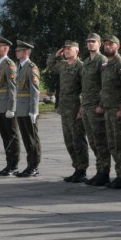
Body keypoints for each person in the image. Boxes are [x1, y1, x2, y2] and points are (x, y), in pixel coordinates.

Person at [47, 40, 88, 182]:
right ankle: (76, 167)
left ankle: (82, 170)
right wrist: (56, 54)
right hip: (64, 109)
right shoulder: (63, 65)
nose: (67, 51)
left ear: (77, 51)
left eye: (70, 49)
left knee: (78, 140)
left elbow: (85, 89)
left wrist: (82, 108)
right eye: (65, 49)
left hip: (76, 109)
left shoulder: (81, 67)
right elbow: (50, 65)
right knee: (68, 140)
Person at [98, 35, 121, 189]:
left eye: (110, 44)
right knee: (112, 144)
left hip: (118, 111)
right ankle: (119, 174)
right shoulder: (107, 65)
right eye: (105, 44)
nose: (107, 46)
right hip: (108, 110)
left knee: (120, 144)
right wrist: (102, 105)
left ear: (117, 46)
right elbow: (104, 89)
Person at [80, 33, 112, 186]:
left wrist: (101, 105)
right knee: (93, 141)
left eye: (93, 42)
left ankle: (104, 172)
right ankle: (99, 170)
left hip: (97, 107)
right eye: (88, 42)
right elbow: (85, 87)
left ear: (99, 44)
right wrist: (82, 106)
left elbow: (105, 85)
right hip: (87, 106)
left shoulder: (102, 61)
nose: (90, 44)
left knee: (100, 141)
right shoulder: (86, 62)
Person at [0, 36, 22, 176]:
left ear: (6, 49)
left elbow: (12, 88)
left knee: (12, 136)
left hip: (7, 107)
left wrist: (12, 107)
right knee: (5, 137)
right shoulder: (0, 64)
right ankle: (8, 162)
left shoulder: (9, 65)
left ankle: (14, 165)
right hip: (0, 106)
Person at [14, 41, 42, 177]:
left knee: (32, 139)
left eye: (19, 51)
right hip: (21, 108)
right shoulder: (20, 67)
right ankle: (29, 164)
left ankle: (34, 166)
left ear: (26, 52)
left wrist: (34, 110)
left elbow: (35, 91)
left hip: (28, 109)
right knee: (26, 138)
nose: (16, 52)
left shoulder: (31, 68)